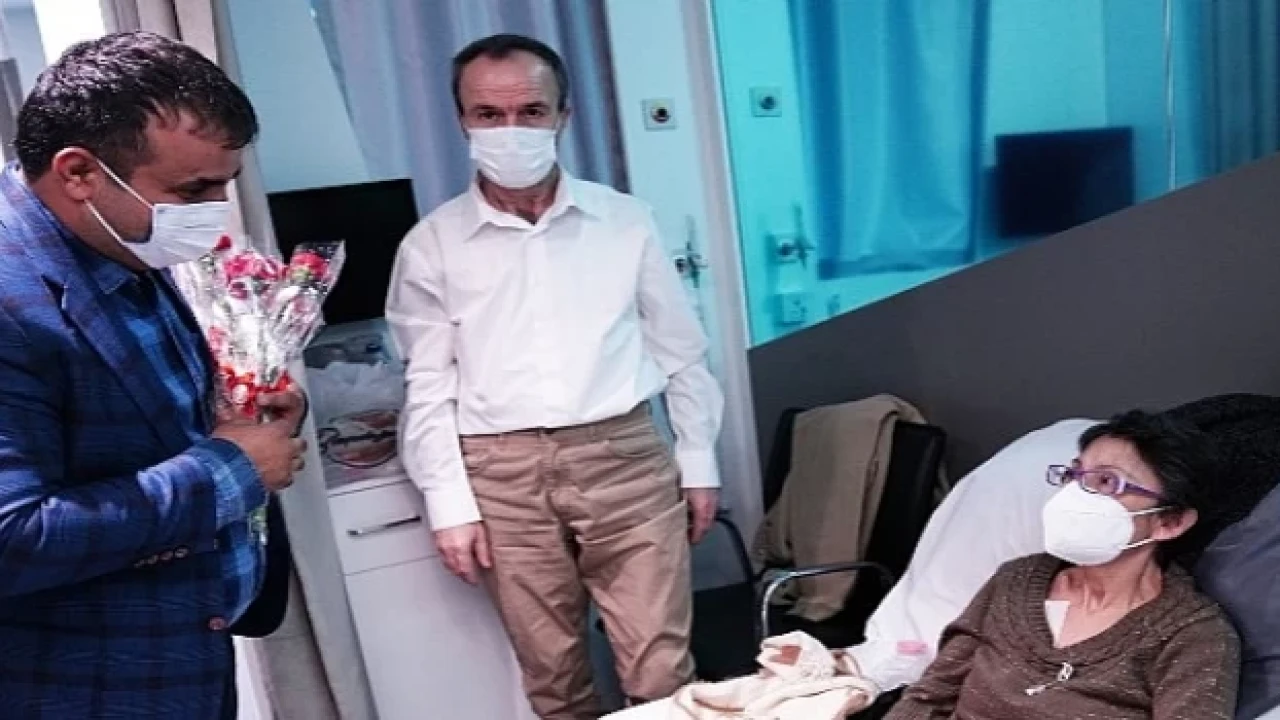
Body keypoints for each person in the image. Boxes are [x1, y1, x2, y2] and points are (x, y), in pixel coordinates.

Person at [387, 33, 724, 719]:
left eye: (531, 111)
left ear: (563, 115)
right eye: (489, 114)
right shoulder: (431, 246)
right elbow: (428, 385)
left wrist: (698, 461)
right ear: (462, 121)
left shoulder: (625, 222)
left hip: (623, 456)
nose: (510, 130)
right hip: (502, 475)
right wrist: (449, 504)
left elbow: (680, 349)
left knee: (661, 671)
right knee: (553, 677)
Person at [0, 32, 306, 719]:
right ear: (79, 173)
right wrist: (232, 469)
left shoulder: (117, 241)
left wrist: (243, 416)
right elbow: (11, 538)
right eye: (193, 190)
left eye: (224, 185)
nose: (214, 215)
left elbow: (134, 427)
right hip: (80, 693)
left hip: (184, 666)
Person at [885, 410, 1240, 720]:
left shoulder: (1194, 636)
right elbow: (929, 696)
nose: (1076, 494)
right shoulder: (1015, 581)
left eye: (1106, 481)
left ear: (1170, 522)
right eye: (1074, 475)